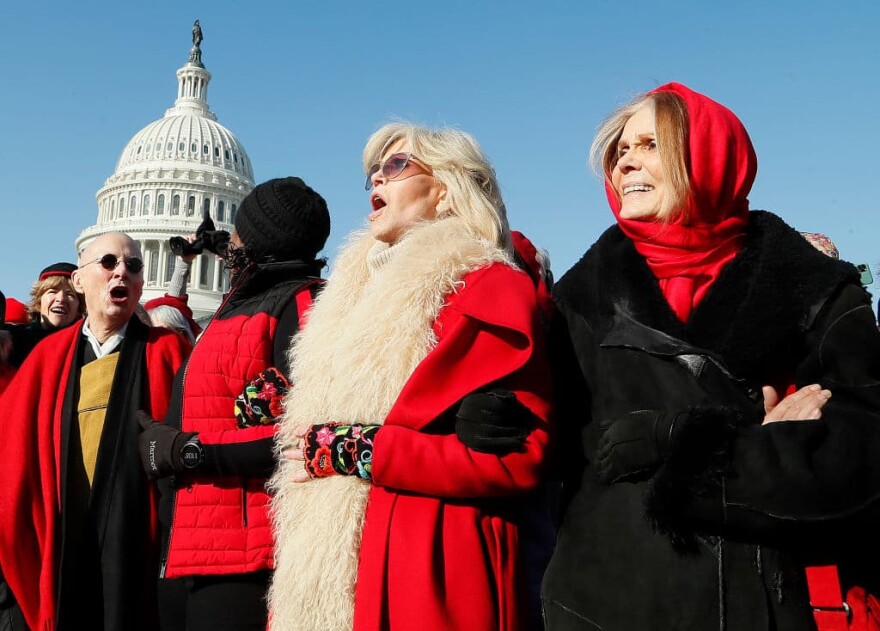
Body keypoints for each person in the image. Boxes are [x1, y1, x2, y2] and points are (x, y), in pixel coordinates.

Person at [541, 82, 880, 630]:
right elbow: (564, 448)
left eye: (651, 144)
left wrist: (685, 443)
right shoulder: (581, 299)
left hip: (772, 604)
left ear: (709, 156)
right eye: (621, 150)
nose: (627, 162)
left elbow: (860, 459)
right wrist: (500, 414)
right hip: (607, 605)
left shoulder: (817, 290)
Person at [268, 123, 553, 631]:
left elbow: (517, 459)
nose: (377, 176)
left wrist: (363, 451)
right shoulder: (349, 299)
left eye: (396, 165)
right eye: (372, 172)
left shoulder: (490, 289)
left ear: (445, 190)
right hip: (331, 562)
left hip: (431, 560)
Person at [136, 176, 330, 631]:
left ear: (260, 238)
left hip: (245, 553)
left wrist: (186, 450)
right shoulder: (241, 302)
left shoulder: (299, 304)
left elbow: (297, 435)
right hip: (191, 538)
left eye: (239, 232)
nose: (231, 241)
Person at [0, 232, 190, 631]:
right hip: (66, 531)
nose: (122, 271)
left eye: (133, 266)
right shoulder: (47, 357)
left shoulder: (169, 351)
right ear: (80, 281)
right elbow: (11, 449)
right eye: (108, 263)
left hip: (141, 539)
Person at [0, 262, 84, 369]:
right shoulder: (13, 340)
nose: (61, 299)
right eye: (53, 291)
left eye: (70, 294)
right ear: (39, 302)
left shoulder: (84, 346)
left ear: (79, 308)